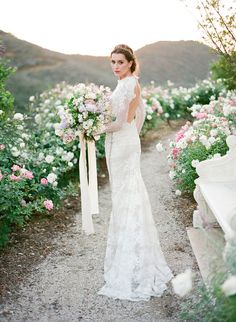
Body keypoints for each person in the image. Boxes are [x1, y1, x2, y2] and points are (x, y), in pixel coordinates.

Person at [97, 44, 173, 301]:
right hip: (122, 142)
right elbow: (138, 115)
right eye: (112, 62)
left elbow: (121, 122)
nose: (115, 66)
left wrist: (93, 129)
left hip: (122, 143)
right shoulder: (123, 84)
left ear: (130, 63)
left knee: (127, 197)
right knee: (122, 198)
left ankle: (133, 263)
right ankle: (128, 255)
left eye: (120, 62)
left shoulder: (130, 84)